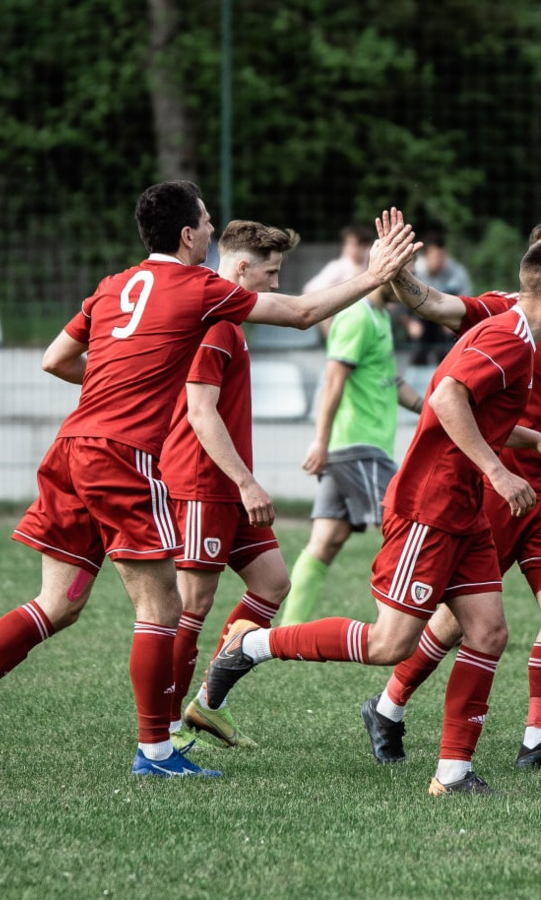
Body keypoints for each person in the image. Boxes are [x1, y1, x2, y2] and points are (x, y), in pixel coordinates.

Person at [0, 181, 421, 778]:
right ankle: (156, 751)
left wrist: (120, 383)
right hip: (121, 456)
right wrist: (373, 275)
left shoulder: (113, 285)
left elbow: (55, 359)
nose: (211, 231)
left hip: (71, 447)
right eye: (206, 222)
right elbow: (302, 314)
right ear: (187, 234)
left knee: (58, 604)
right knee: (163, 607)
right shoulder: (198, 287)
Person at [199, 230, 541, 796]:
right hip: (431, 507)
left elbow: (476, 410)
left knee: (487, 632)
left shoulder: (522, 339)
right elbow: (446, 399)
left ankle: (453, 773)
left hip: (465, 512)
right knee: (389, 645)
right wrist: (498, 471)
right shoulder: (508, 337)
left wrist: (535, 441)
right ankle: (252, 645)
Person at [363, 213, 541, 772]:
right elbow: (433, 305)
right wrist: (396, 270)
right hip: (494, 485)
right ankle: (388, 706)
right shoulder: (504, 312)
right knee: (458, 622)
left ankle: (539, 739)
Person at [157, 220, 301, 752]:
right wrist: (246, 481)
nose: (276, 284)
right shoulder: (216, 323)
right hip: (201, 481)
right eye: (271, 272)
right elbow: (200, 412)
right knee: (190, 608)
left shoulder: (229, 321)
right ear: (242, 268)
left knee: (272, 584)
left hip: (227, 486)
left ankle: (207, 702)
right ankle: (164, 732)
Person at [277, 281, 425, 626]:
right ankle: (406, 629)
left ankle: (286, 633)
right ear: (386, 273)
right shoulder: (357, 316)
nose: (412, 284)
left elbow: (390, 380)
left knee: (326, 541)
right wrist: (320, 441)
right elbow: (333, 381)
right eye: (405, 274)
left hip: (355, 449)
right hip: (359, 449)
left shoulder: (381, 316)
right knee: (406, 531)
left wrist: (431, 407)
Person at [405, 226, 472, 365]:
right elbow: (398, 304)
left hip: (445, 319)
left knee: (451, 343)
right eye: (436, 256)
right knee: (418, 339)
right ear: (426, 256)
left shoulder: (456, 272)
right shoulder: (413, 271)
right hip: (419, 319)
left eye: (443, 255)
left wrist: (455, 319)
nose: (440, 260)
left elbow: (468, 300)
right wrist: (408, 322)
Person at [303, 223, 376, 338]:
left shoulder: (371, 265)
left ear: (366, 247)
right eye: (348, 244)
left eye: (357, 245)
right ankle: (333, 343)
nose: (352, 249)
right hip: (341, 314)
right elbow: (309, 290)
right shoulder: (337, 267)